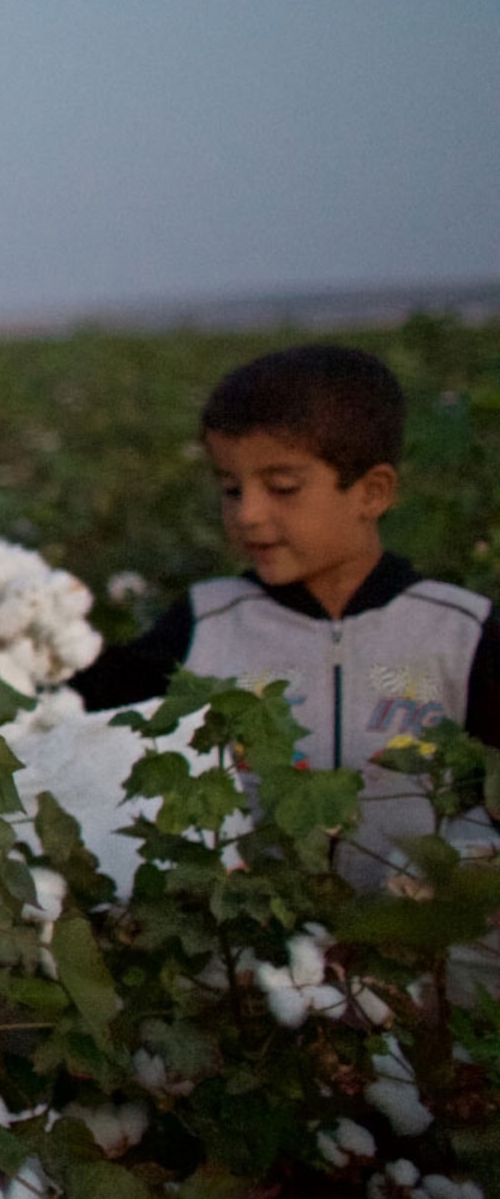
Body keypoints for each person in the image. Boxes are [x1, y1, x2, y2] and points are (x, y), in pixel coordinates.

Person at [71, 344, 498, 885]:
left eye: (281, 488)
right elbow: (78, 718)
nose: (247, 513)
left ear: (372, 493)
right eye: (231, 488)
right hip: (255, 956)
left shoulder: (459, 633)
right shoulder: (207, 624)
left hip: (429, 950)